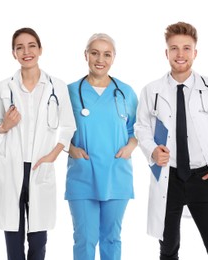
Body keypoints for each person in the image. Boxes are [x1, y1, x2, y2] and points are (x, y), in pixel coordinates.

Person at [134, 21, 208, 260]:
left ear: (195, 52)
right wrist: (151, 151)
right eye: (174, 48)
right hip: (168, 178)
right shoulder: (152, 90)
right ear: (166, 52)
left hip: (203, 177)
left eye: (186, 48)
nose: (180, 54)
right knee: (168, 250)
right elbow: (141, 127)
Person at [0, 27, 76, 260]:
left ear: (40, 49)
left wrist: (53, 154)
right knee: (13, 237)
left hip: (40, 166)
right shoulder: (5, 87)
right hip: (11, 165)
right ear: (13, 53)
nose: (26, 51)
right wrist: (5, 124)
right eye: (20, 47)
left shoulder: (57, 86)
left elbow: (68, 126)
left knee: (38, 239)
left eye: (31, 46)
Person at [65, 33, 138, 260]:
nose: (100, 59)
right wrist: (70, 147)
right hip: (83, 174)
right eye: (95, 53)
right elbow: (55, 129)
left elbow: (138, 130)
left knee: (111, 238)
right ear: (85, 55)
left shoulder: (125, 92)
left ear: (113, 58)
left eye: (107, 54)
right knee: (85, 238)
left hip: (116, 173)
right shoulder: (70, 91)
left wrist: (130, 147)